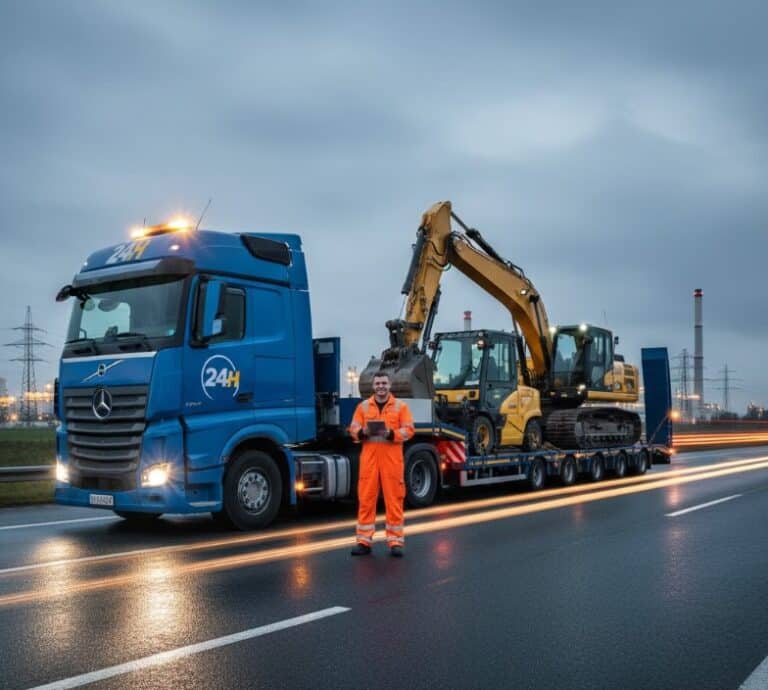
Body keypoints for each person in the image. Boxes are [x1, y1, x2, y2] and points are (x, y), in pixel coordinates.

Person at [348, 371, 415, 557]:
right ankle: (363, 541)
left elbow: (409, 430)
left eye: (384, 383)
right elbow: (353, 429)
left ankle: (395, 542)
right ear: (373, 386)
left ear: (390, 385)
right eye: (377, 383)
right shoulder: (363, 407)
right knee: (366, 500)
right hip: (369, 461)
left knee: (394, 500)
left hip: (392, 462)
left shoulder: (401, 407)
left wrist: (391, 434)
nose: (381, 387)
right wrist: (362, 432)